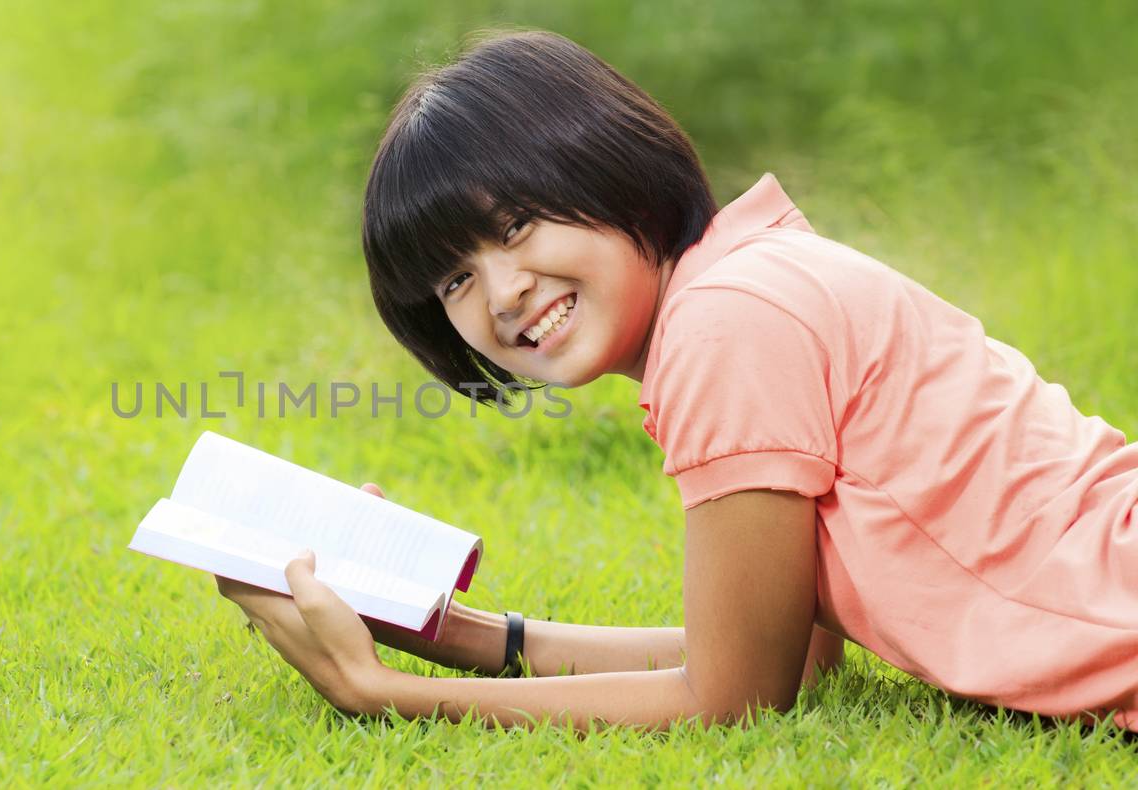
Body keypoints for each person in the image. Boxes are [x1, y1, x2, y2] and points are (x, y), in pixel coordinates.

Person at [214, 29, 1138, 731]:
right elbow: (791, 659)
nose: (502, 294)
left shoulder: (727, 323)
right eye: (455, 277)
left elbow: (736, 698)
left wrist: (383, 691)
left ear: (608, 165)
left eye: (520, 223)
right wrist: (462, 636)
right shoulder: (745, 286)